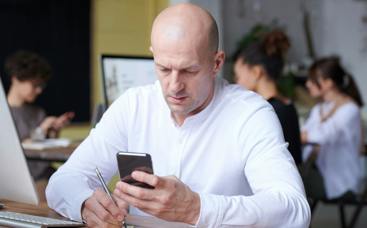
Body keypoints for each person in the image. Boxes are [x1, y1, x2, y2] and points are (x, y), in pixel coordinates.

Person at [46, 3, 310, 227]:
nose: (174, 86)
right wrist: (85, 204)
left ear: (217, 63)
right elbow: (63, 181)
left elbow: (294, 210)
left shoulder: (250, 114)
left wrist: (197, 208)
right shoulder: (134, 105)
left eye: (189, 71)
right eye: (163, 68)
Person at [4, 50, 74, 198]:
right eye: (35, 84)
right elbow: (12, 149)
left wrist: (53, 130)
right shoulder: (3, 112)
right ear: (16, 78)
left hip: (46, 173)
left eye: (41, 85)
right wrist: (41, 129)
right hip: (25, 177)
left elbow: (44, 145)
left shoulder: (38, 112)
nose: (39, 90)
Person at [233, 29, 302, 165]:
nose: (237, 82)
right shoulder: (287, 106)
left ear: (256, 72)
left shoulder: (266, 112)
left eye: (238, 76)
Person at [301, 56, 364, 200]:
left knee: (290, 185)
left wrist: (305, 135)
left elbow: (323, 135)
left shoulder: (350, 109)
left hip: (341, 181)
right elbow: (306, 134)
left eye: (312, 80)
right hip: (320, 173)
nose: (308, 84)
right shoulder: (319, 109)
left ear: (328, 83)